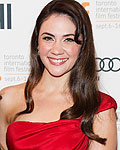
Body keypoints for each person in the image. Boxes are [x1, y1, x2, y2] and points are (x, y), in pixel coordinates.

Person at [0, 0, 117, 149]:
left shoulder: (99, 108)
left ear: (83, 46)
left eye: (68, 40)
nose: (57, 50)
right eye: (48, 38)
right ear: (37, 42)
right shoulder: (7, 99)